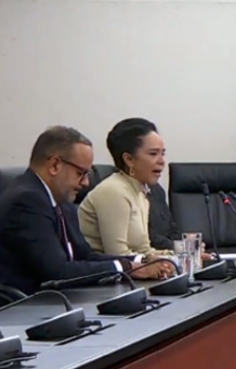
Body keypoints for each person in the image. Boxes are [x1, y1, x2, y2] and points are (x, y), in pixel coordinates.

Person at [0, 126, 165, 294]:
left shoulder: (61, 199)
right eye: (81, 173)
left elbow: (85, 256)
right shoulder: (26, 201)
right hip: (28, 309)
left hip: (60, 301)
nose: (86, 183)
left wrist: (142, 260)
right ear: (55, 165)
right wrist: (125, 267)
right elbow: (58, 272)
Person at [79, 119, 178, 270]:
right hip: (102, 280)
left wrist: (181, 255)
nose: (162, 161)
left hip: (131, 275)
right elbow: (118, 254)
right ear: (129, 159)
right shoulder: (114, 191)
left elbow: (144, 251)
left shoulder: (140, 192)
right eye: (153, 154)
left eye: (162, 154)